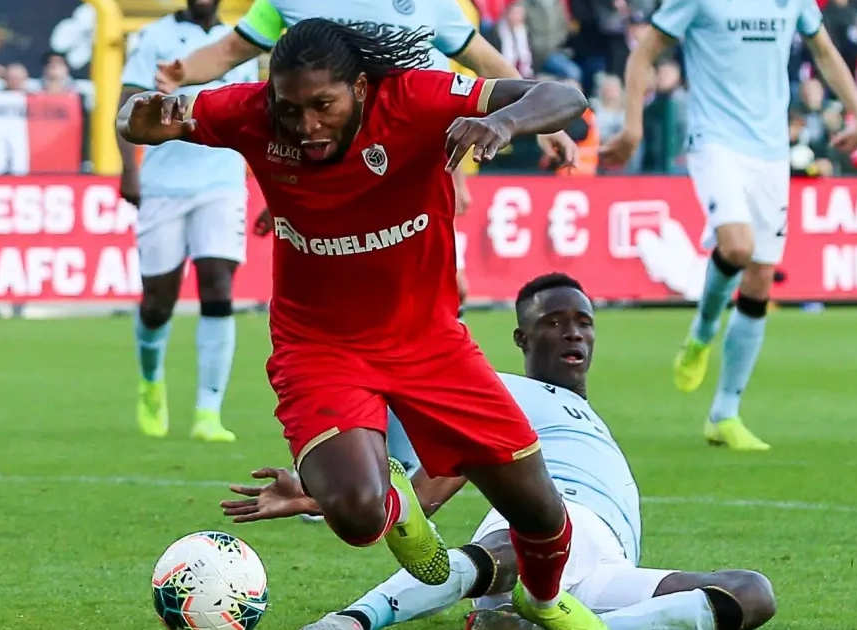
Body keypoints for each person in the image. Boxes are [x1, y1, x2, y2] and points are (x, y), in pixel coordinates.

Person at [119, 18, 598, 630]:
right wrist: (140, 116)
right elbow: (137, 119)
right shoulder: (250, 112)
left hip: (430, 343)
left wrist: (502, 123)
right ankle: (397, 502)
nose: (306, 125)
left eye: (324, 105)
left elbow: (565, 96)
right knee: (355, 513)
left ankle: (542, 600)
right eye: (291, 109)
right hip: (318, 348)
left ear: (363, 89)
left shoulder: (418, 99)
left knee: (540, 513)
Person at [220, 273, 779, 630]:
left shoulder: (586, 417)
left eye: (583, 323)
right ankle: (350, 622)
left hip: (602, 573)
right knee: (522, 536)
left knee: (751, 594)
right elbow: (422, 487)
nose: (573, 334)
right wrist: (323, 493)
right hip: (526, 546)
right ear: (521, 339)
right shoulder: (499, 393)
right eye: (553, 322)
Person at [152, 0, 579, 317]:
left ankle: (415, 378)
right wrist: (181, 72)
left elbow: (483, 59)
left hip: (413, 161)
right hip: (328, 161)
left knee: (443, 287)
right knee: (349, 288)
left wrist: (540, 122)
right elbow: (230, 50)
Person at [599, 0, 857, 451]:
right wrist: (632, 127)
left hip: (772, 150)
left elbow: (823, 50)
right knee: (738, 246)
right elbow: (643, 52)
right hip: (715, 140)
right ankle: (703, 332)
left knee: (760, 276)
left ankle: (724, 414)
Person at [118, 0, 259, 442]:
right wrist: (129, 169)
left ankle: (208, 411)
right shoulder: (155, 36)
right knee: (158, 302)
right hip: (164, 185)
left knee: (218, 285)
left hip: (221, 183)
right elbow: (126, 106)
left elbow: (255, 117)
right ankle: (150, 382)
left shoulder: (238, 42)